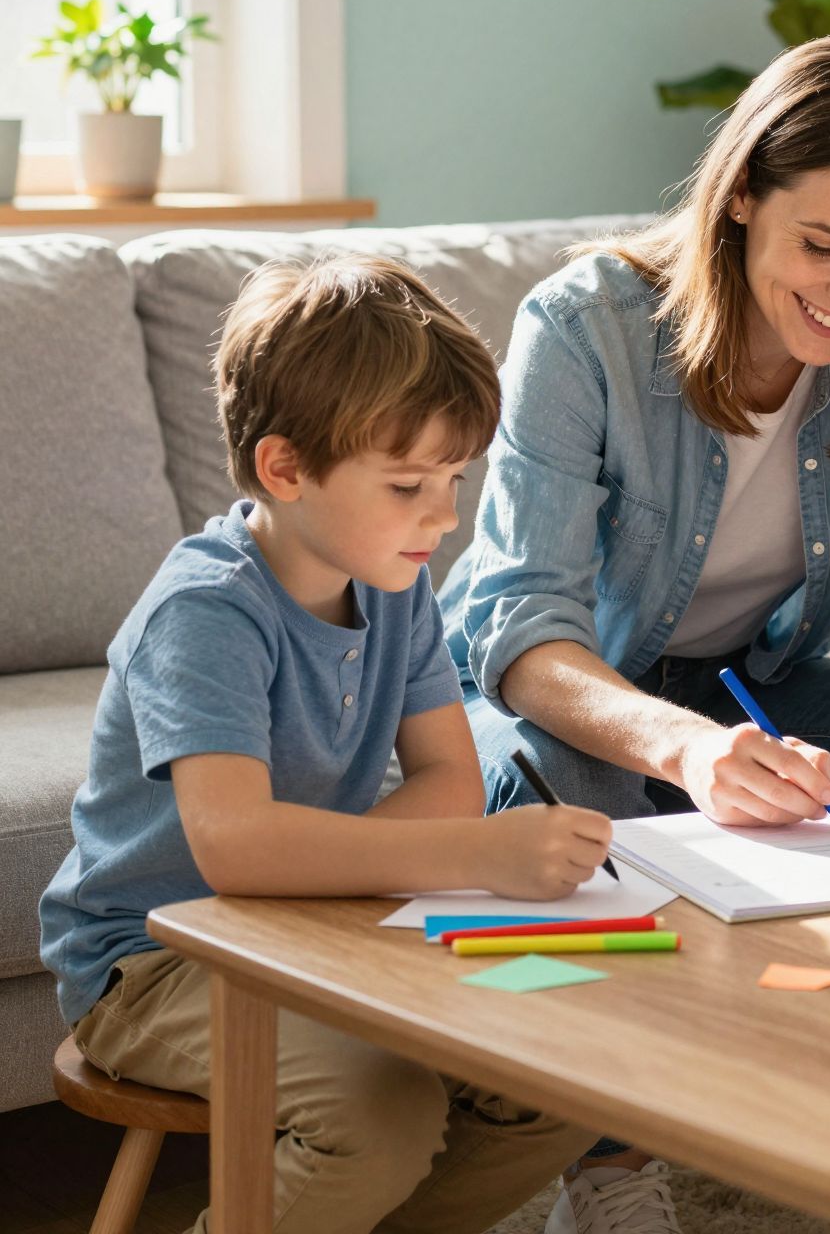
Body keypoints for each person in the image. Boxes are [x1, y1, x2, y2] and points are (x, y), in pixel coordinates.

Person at [438, 34, 830, 1231]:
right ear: (744, 197)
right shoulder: (586, 327)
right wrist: (683, 750)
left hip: (740, 690)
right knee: (568, 784)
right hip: (564, 701)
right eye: (821, 247)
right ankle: (604, 1162)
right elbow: (520, 621)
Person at [38, 255, 609, 1234]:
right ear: (284, 468)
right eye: (405, 483)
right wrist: (470, 856)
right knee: (377, 1116)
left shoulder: (397, 580)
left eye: (453, 478)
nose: (443, 514)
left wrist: (361, 874)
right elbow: (237, 849)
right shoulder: (207, 612)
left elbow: (448, 776)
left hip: (314, 924)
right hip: (155, 960)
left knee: (565, 1075)